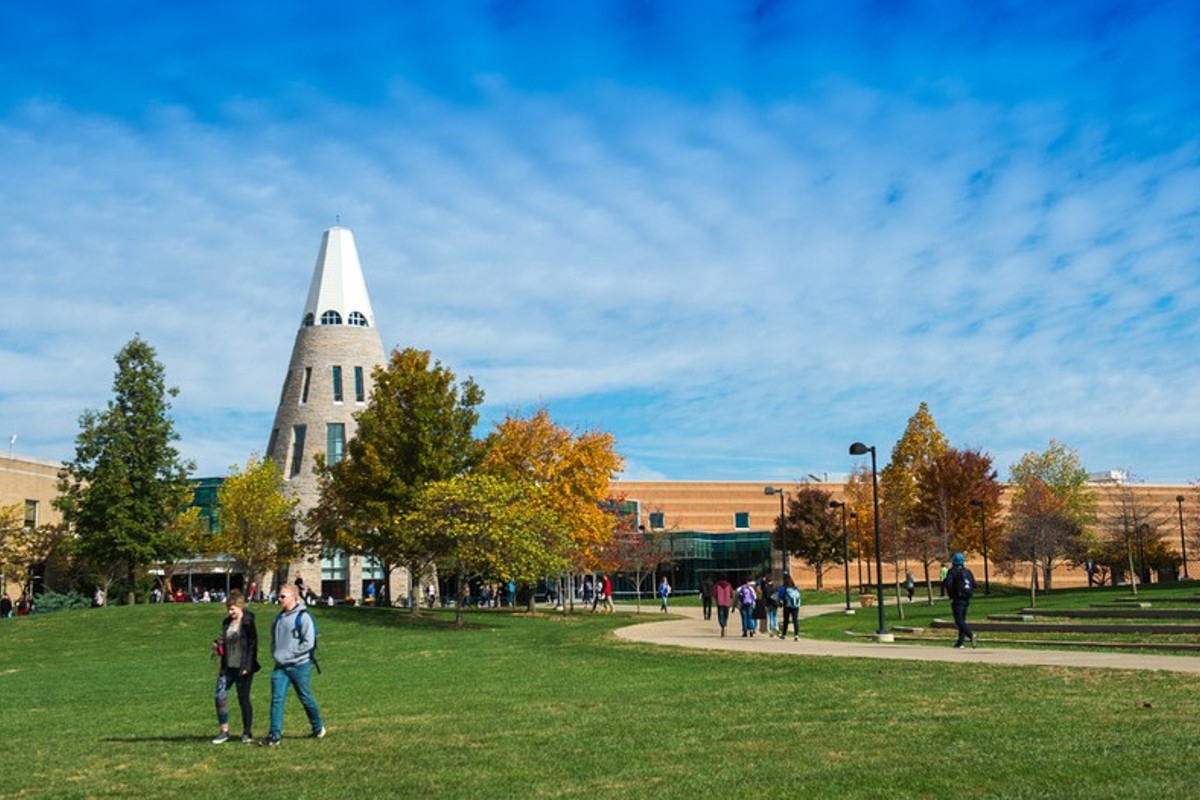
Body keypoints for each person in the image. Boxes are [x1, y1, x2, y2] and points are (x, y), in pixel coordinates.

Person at [265, 584, 325, 746]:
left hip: (299, 666)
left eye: (283, 596)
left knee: (305, 698)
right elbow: (274, 640)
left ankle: (318, 727)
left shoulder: (303, 617)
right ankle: (274, 734)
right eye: (279, 596)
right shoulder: (279, 618)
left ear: (293, 596)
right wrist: (276, 654)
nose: (279, 599)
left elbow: (308, 643)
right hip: (280, 667)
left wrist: (289, 654)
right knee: (277, 699)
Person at [211, 590, 260, 744]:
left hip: (243, 667)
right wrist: (219, 645)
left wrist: (247, 665)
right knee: (219, 696)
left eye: (233, 608)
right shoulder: (227, 623)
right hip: (228, 667)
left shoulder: (248, 623)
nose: (230, 611)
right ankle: (224, 731)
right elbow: (226, 641)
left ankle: (247, 732)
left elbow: (252, 646)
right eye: (228, 608)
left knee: (243, 699)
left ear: (240, 607)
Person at [941, 553, 977, 649]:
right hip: (966, 597)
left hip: (957, 598)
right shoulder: (967, 571)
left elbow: (949, 584)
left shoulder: (952, 572)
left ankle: (970, 634)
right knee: (962, 620)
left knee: (958, 620)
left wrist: (951, 595)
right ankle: (960, 642)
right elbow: (974, 584)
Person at [777, 575, 801, 641]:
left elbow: (780, 597)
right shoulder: (795, 587)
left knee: (786, 620)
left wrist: (780, 602)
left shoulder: (783, 588)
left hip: (787, 606)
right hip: (795, 606)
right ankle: (796, 635)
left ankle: (784, 635)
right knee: (795, 620)